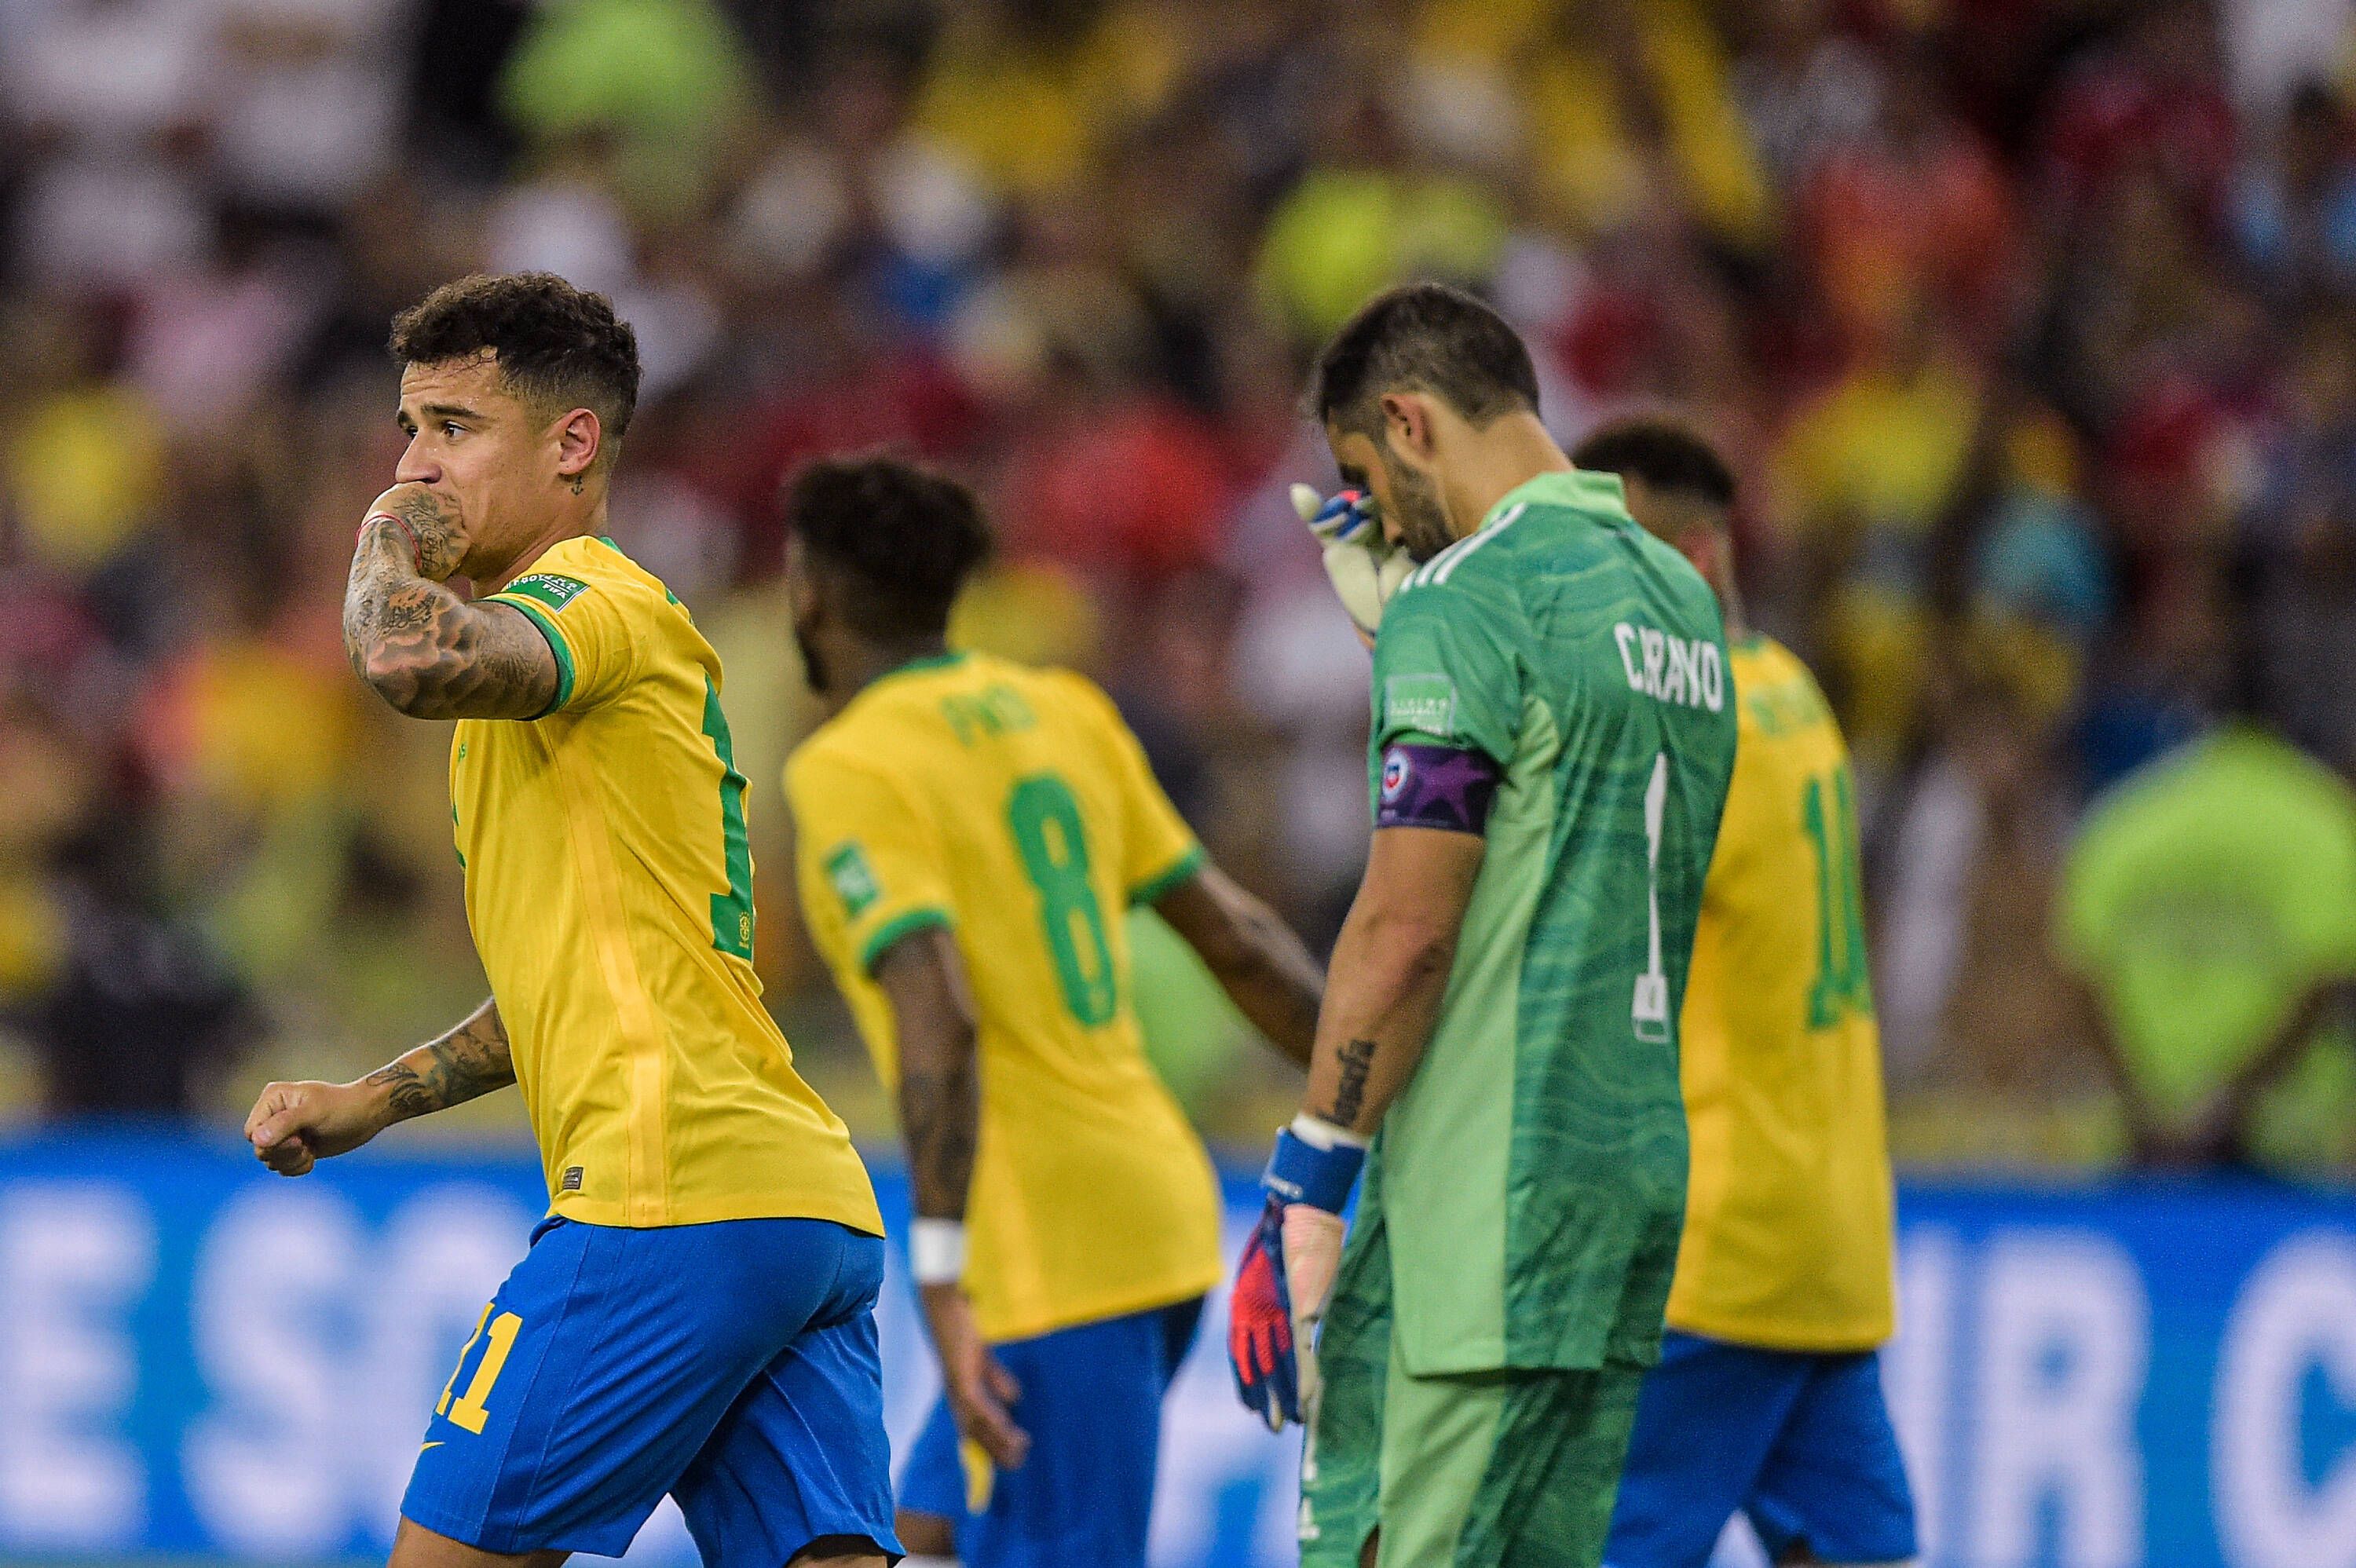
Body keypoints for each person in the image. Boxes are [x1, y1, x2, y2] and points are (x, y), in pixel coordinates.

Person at [240, 272, 898, 1568]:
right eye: (406, 429)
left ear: (573, 446)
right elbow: (593, 976)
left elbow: (399, 656)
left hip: (671, 1201)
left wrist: (385, 528)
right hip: (796, 1207)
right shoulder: (551, 704)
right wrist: (380, 1096)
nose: (415, 462)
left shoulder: (593, 603)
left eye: (451, 428)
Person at [1227, 282, 1740, 1568]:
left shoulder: (1467, 604)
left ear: (1409, 421)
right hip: (1620, 1194)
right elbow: (1553, 822)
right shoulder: (1684, 607)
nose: (1381, 514)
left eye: (1366, 471)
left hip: (1477, 1212)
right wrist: (1408, 628)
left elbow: (1408, 924)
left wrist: (1313, 1168)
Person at [780, 454, 1326, 1568]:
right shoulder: (1063, 710)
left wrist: (935, 1271)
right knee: (917, 1536)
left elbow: (939, 1009)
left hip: (1055, 1253)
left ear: (809, 593)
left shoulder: (851, 765)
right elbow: (1239, 935)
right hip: (1145, 1203)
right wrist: (1377, 1091)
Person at [1571, 418, 1918, 1568]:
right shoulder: (1794, 695)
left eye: (1618, 557)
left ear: (1702, 556)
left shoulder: (1687, 716)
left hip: (1710, 1260)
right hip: (1826, 1240)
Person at [2056, 700, 2356, 1171]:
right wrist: (2229, 1104)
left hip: (2141, 1125)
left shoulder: (2126, 814)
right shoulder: (2323, 816)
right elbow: (2324, 983)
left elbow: (2082, 973)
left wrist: (2140, 1099)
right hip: (2290, 1136)